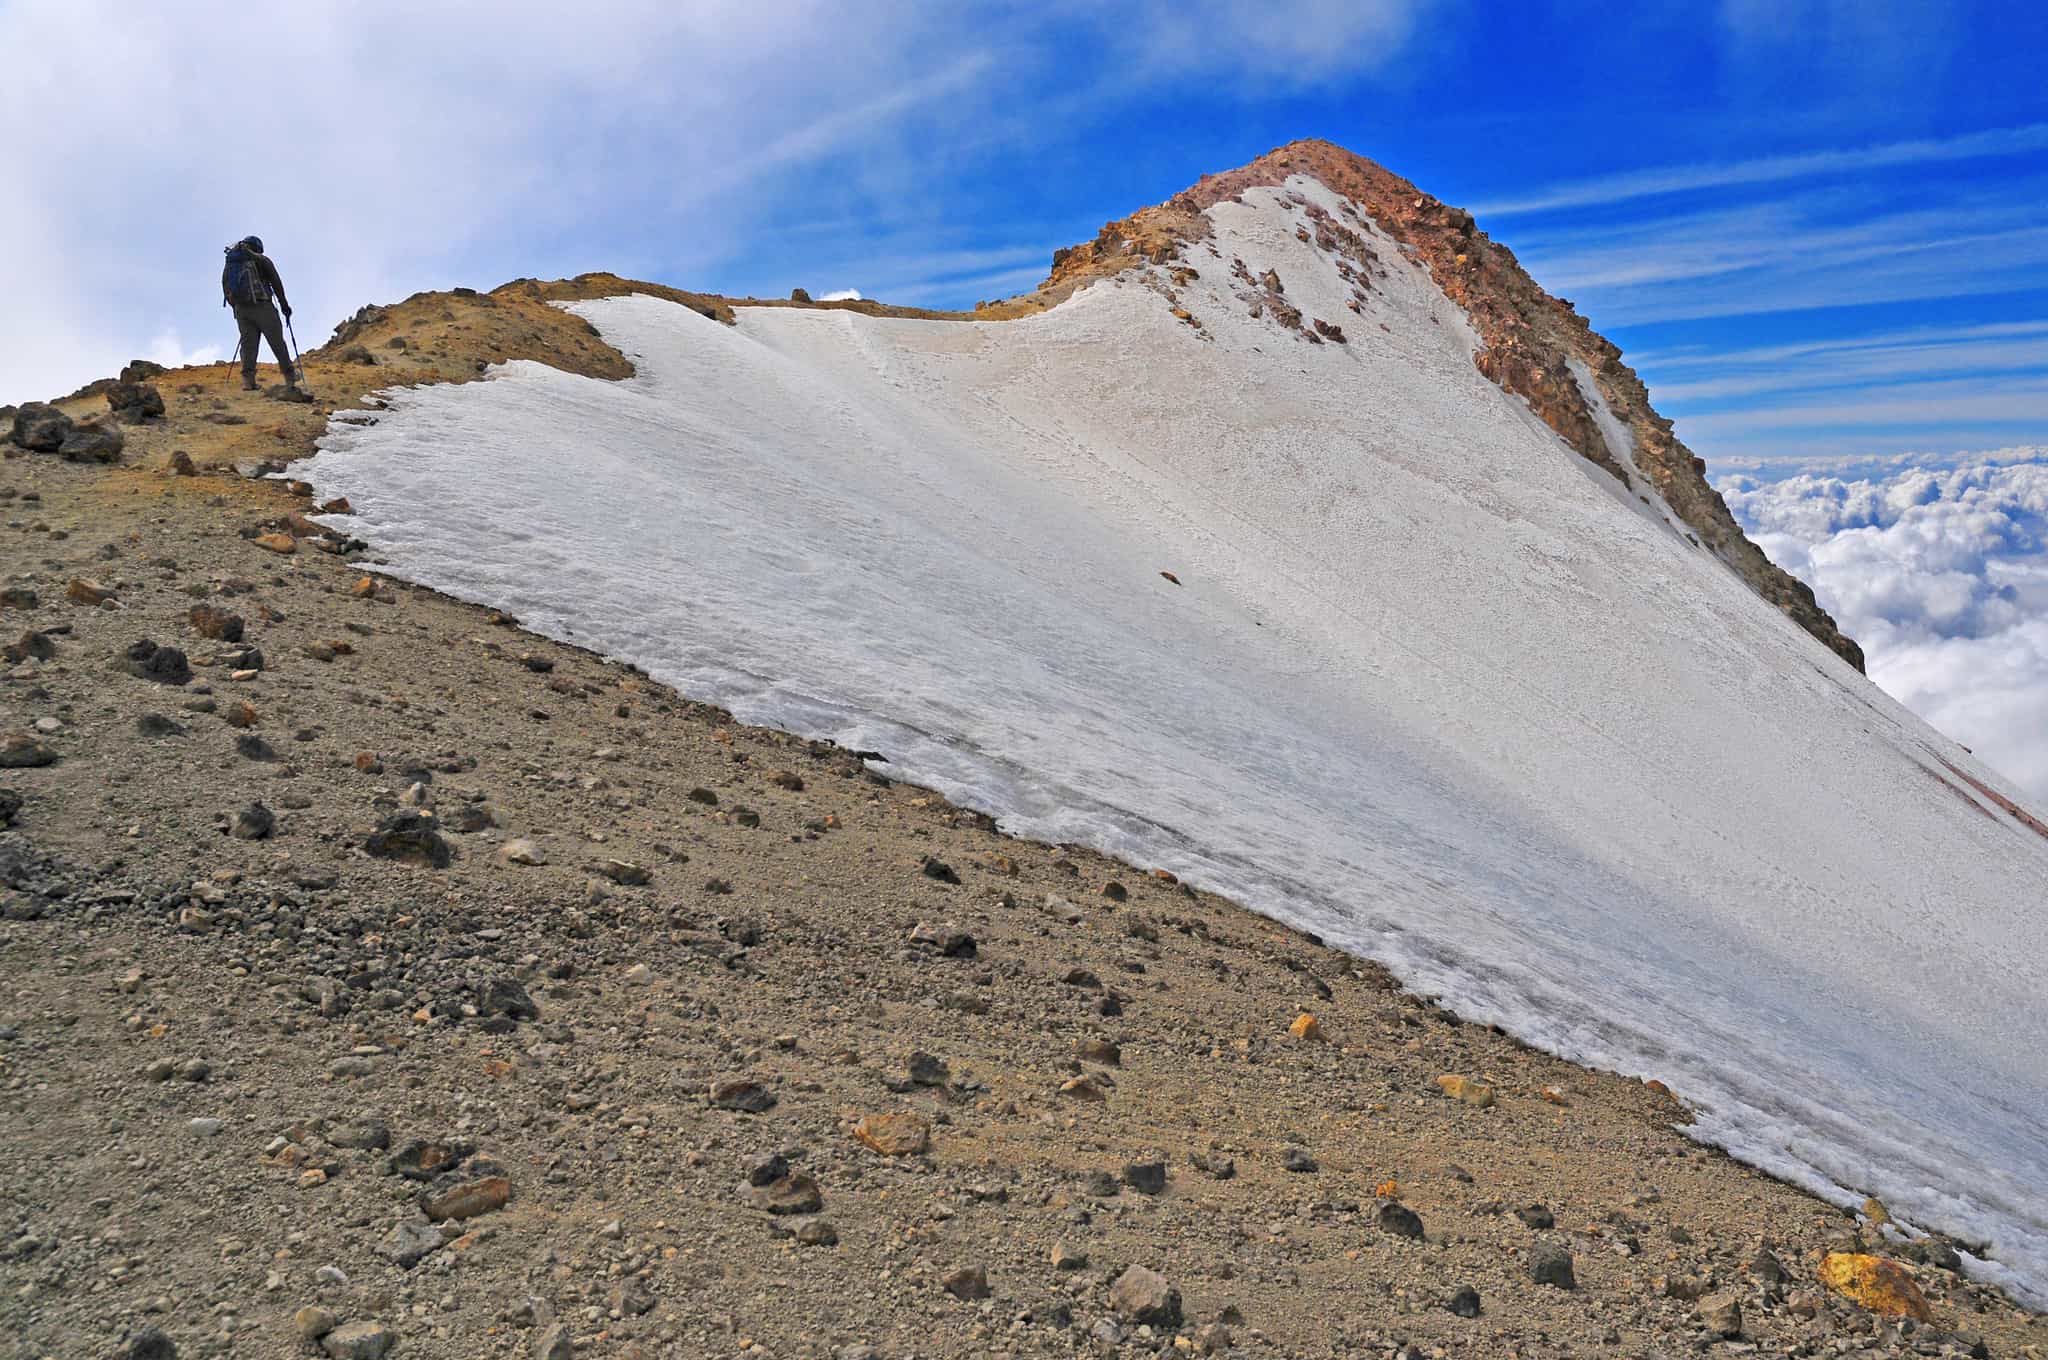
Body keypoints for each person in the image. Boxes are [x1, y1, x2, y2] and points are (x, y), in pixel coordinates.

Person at [221, 236, 301, 393]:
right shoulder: (261, 260)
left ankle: (248, 382)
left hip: (241, 310)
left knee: (248, 345)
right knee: (277, 343)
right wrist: (284, 305)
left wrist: (237, 309)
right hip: (262, 306)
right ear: (257, 247)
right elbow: (276, 282)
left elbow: (225, 287)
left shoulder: (231, 264)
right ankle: (290, 377)